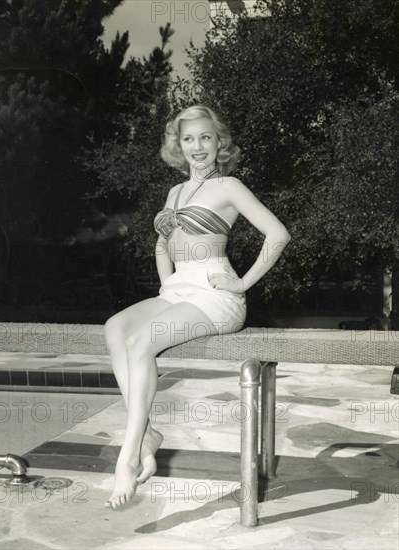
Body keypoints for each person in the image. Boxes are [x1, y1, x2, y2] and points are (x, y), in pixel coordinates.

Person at [104, 105, 291, 508]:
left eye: (206, 137)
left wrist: (242, 283)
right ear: (178, 145)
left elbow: (278, 234)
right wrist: (166, 287)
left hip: (215, 294)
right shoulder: (175, 192)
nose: (198, 147)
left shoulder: (229, 186)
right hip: (179, 289)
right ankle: (150, 434)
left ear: (220, 142)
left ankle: (130, 453)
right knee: (115, 327)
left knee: (141, 341)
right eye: (188, 139)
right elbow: (162, 244)